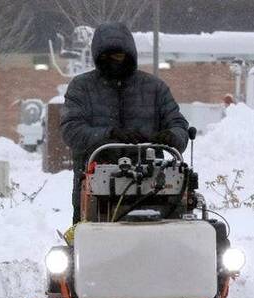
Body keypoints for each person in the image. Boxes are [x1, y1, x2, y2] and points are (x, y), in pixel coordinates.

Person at [60, 22, 189, 224]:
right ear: (97, 57)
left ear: (129, 54)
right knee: (92, 242)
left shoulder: (154, 88)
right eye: (106, 57)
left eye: (118, 56)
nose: (113, 62)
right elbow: (71, 130)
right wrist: (109, 135)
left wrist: (172, 136)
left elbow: (178, 124)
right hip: (96, 189)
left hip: (153, 186)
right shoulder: (81, 88)